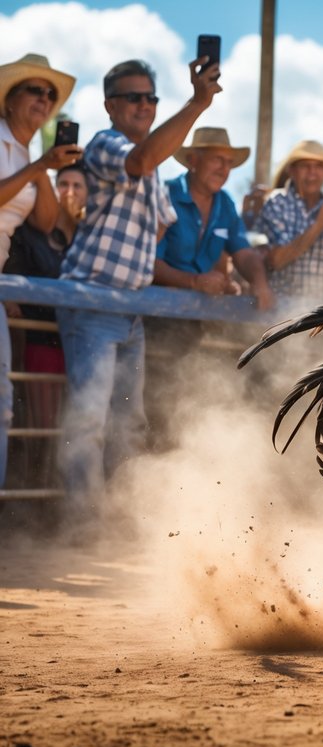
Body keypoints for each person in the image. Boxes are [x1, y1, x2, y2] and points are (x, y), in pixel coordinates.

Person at [59, 56, 220, 518]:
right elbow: (143, 159)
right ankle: (85, 522)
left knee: (128, 422)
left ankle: (117, 522)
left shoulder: (153, 170)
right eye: (134, 97)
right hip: (92, 300)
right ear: (110, 106)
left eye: (151, 97)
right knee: (90, 419)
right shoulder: (106, 143)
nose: (145, 104)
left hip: (128, 307)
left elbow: (160, 228)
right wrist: (197, 103)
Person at [0, 54, 81, 486]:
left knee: (2, 402)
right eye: (35, 89)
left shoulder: (26, 153)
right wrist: (38, 166)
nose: (45, 99)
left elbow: (46, 222)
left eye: (50, 94)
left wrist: (43, 168)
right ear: (9, 100)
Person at [154, 127, 272, 308]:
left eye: (229, 163)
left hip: (199, 310)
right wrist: (195, 281)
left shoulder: (225, 205)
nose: (224, 170)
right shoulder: (165, 195)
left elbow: (244, 253)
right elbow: (149, 261)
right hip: (156, 307)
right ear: (193, 160)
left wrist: (260, 282)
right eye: (217, 159)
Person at [259, 139, 323, 303]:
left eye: (319, 166)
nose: (312, 173)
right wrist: (320, 221)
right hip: (282, 308)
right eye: (305, 166)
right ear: (291, 170)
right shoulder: (277, 201)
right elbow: (277, 260)